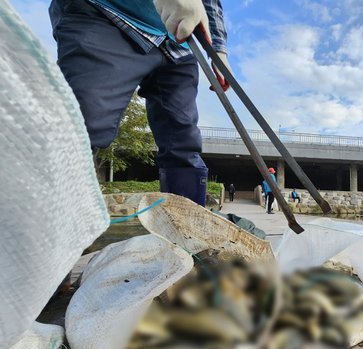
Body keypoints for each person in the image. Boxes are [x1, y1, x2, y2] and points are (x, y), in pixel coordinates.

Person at [48, 0, 232, 207]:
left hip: (176, 40)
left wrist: (218, 50)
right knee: (82, 124)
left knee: (183, 142)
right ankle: (45, 226)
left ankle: (187, 229)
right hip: (107, 15)